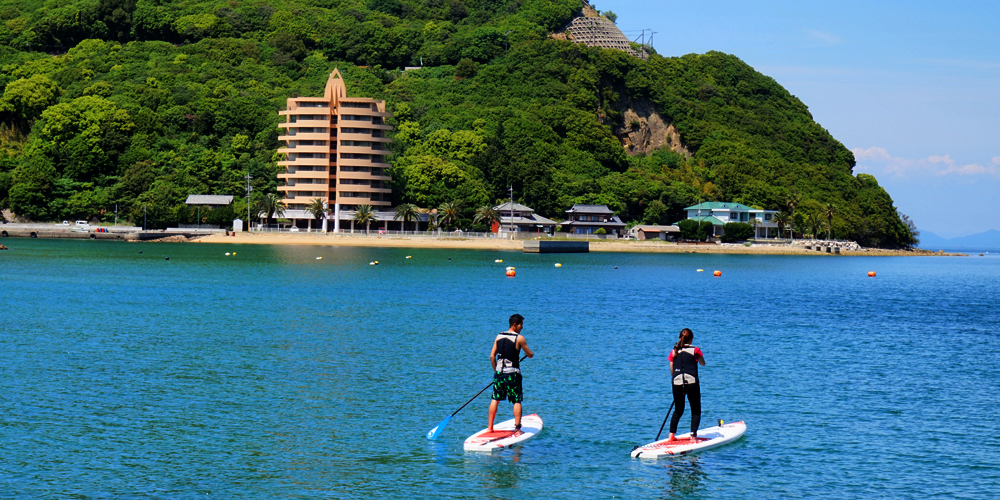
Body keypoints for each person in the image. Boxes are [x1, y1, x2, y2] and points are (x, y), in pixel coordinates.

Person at [488, 313, 534, 433]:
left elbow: (492, 356)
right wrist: (531, 354)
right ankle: (518, 429)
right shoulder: (519, 338)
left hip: (499, 373)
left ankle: (490, 428)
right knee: (516, 400)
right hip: (512, 374)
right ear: (515, 325)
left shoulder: (498, 336)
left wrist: (496, 371)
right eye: (521, 325)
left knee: (495, 399)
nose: (522, 327)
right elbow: (529, 354)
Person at [668, 328, 705, 442]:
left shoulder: (674, 351)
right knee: (695, 410)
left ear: (680, 338)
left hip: (677, 383)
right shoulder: (695, 350)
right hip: (692, 383)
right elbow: (703, 363)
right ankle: (693, 436)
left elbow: (672, 371)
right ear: (692, 339)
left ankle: (671, 436)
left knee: (678, 410)